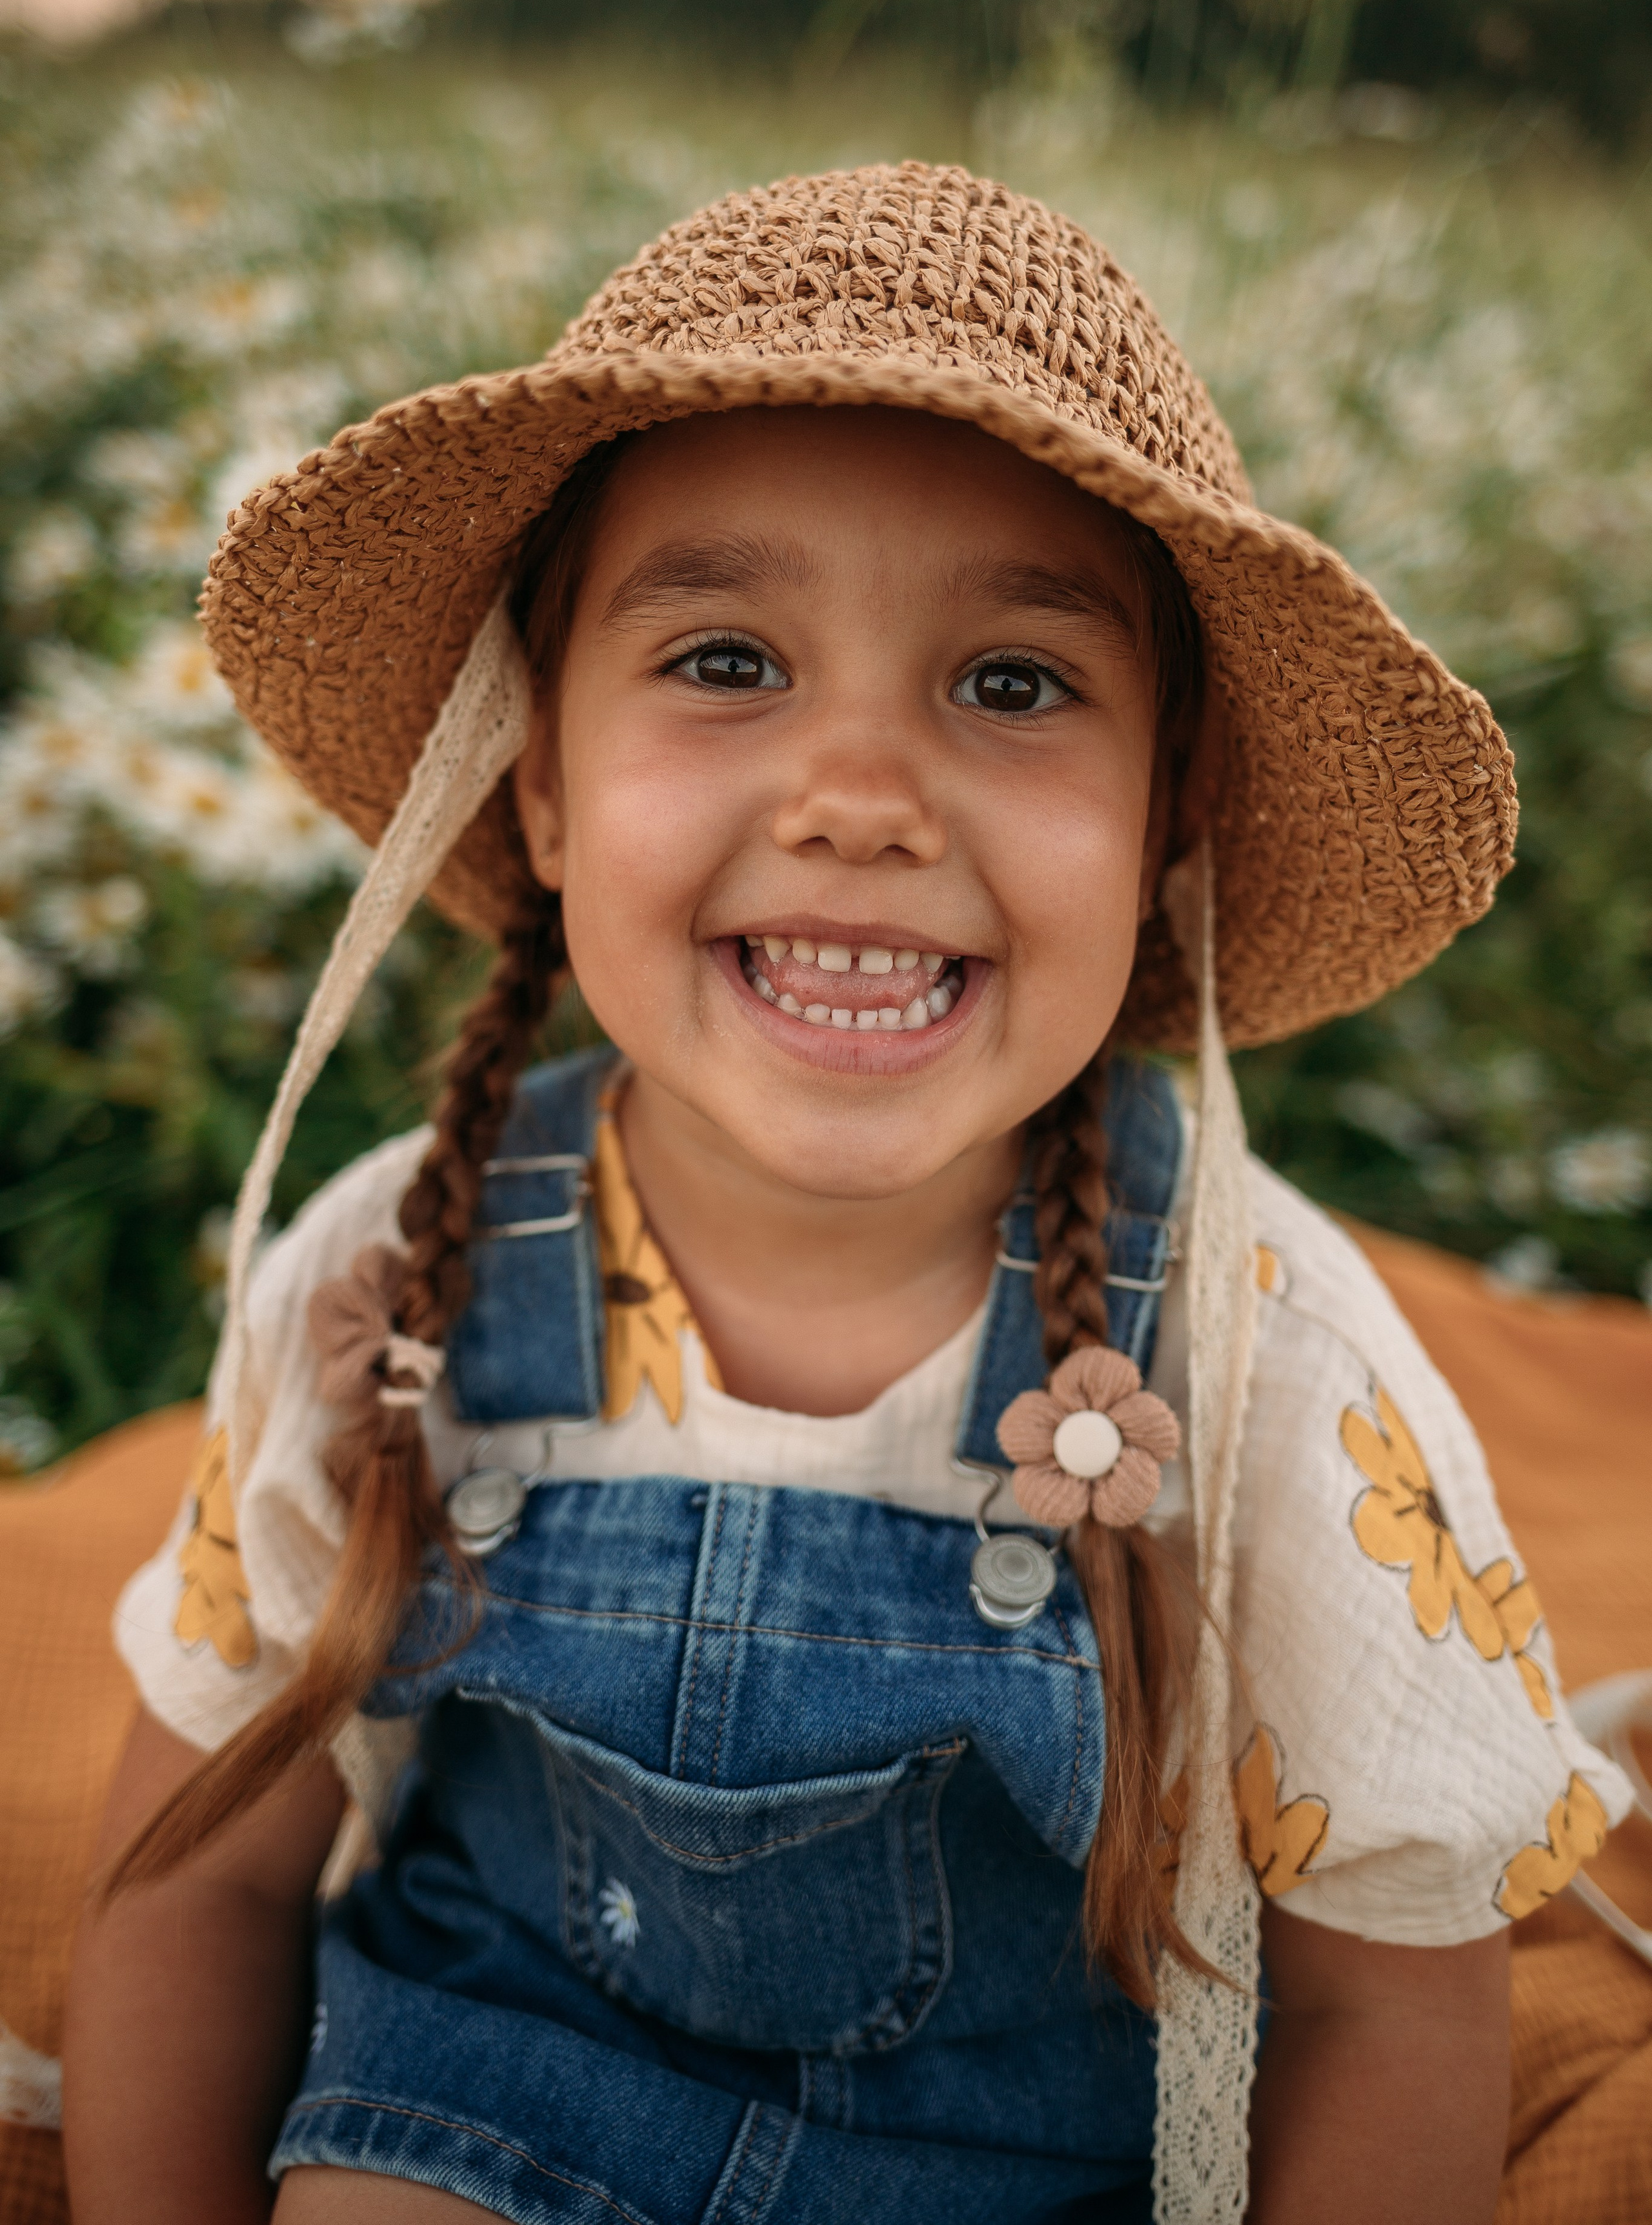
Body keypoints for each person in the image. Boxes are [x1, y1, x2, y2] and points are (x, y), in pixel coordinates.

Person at [63, 163, 1627, 2225]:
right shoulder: (391, 1280)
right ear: (542, 779)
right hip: (492, 2096)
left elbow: (1381, 2002)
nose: (862, 800)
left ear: (1167, 822)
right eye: (727, 659)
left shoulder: (1263, 1356)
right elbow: (197, 1873)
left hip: (1026, 2163)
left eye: (1013, 684)